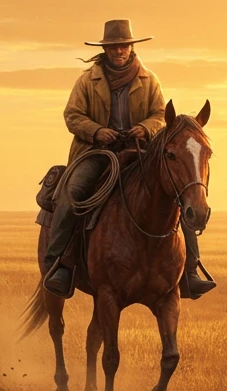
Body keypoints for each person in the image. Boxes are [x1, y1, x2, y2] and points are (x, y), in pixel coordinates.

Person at [42, 18, 217, 300]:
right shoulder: (87, 80)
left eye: (123, 46)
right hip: (96, 152)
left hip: (140, 152)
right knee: (72, 192)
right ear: (106, 49)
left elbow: (161, 115)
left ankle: (190, 271)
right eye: (113, 46)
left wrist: (145, 128)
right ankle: (59, 264)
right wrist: (98, 131)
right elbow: (72, 116)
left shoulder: (150, 80)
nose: (119, 51)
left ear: (131, 47)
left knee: (177, 194)